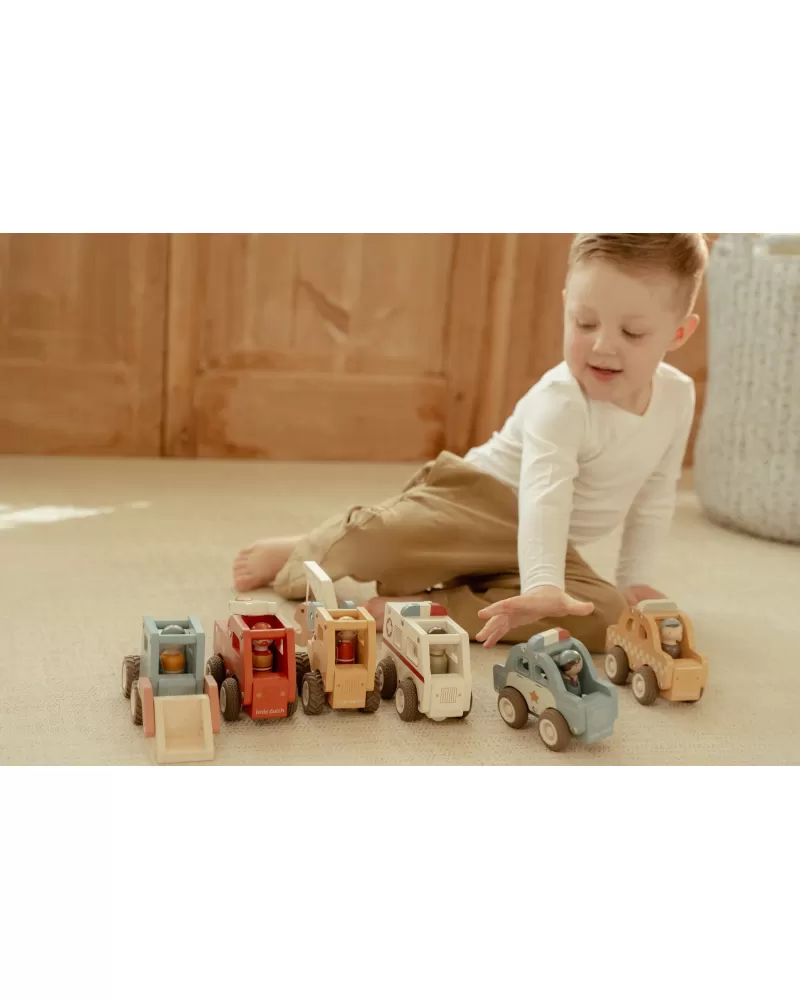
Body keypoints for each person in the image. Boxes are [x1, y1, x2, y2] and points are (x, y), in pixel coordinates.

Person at [232, 234, 707, 653]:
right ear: (566, 306)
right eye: (584, 323)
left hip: (546, 542)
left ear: (679, 333)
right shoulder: (561, 400)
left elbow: (654, 494)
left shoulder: (677, 397)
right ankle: (305, 548)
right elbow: (545, 493)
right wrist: (543, 583)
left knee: (604, 616)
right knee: (377, 541)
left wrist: (632, 581)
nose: (602, 345)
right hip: (473, 503)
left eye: (632, 332)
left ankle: (417, 608)